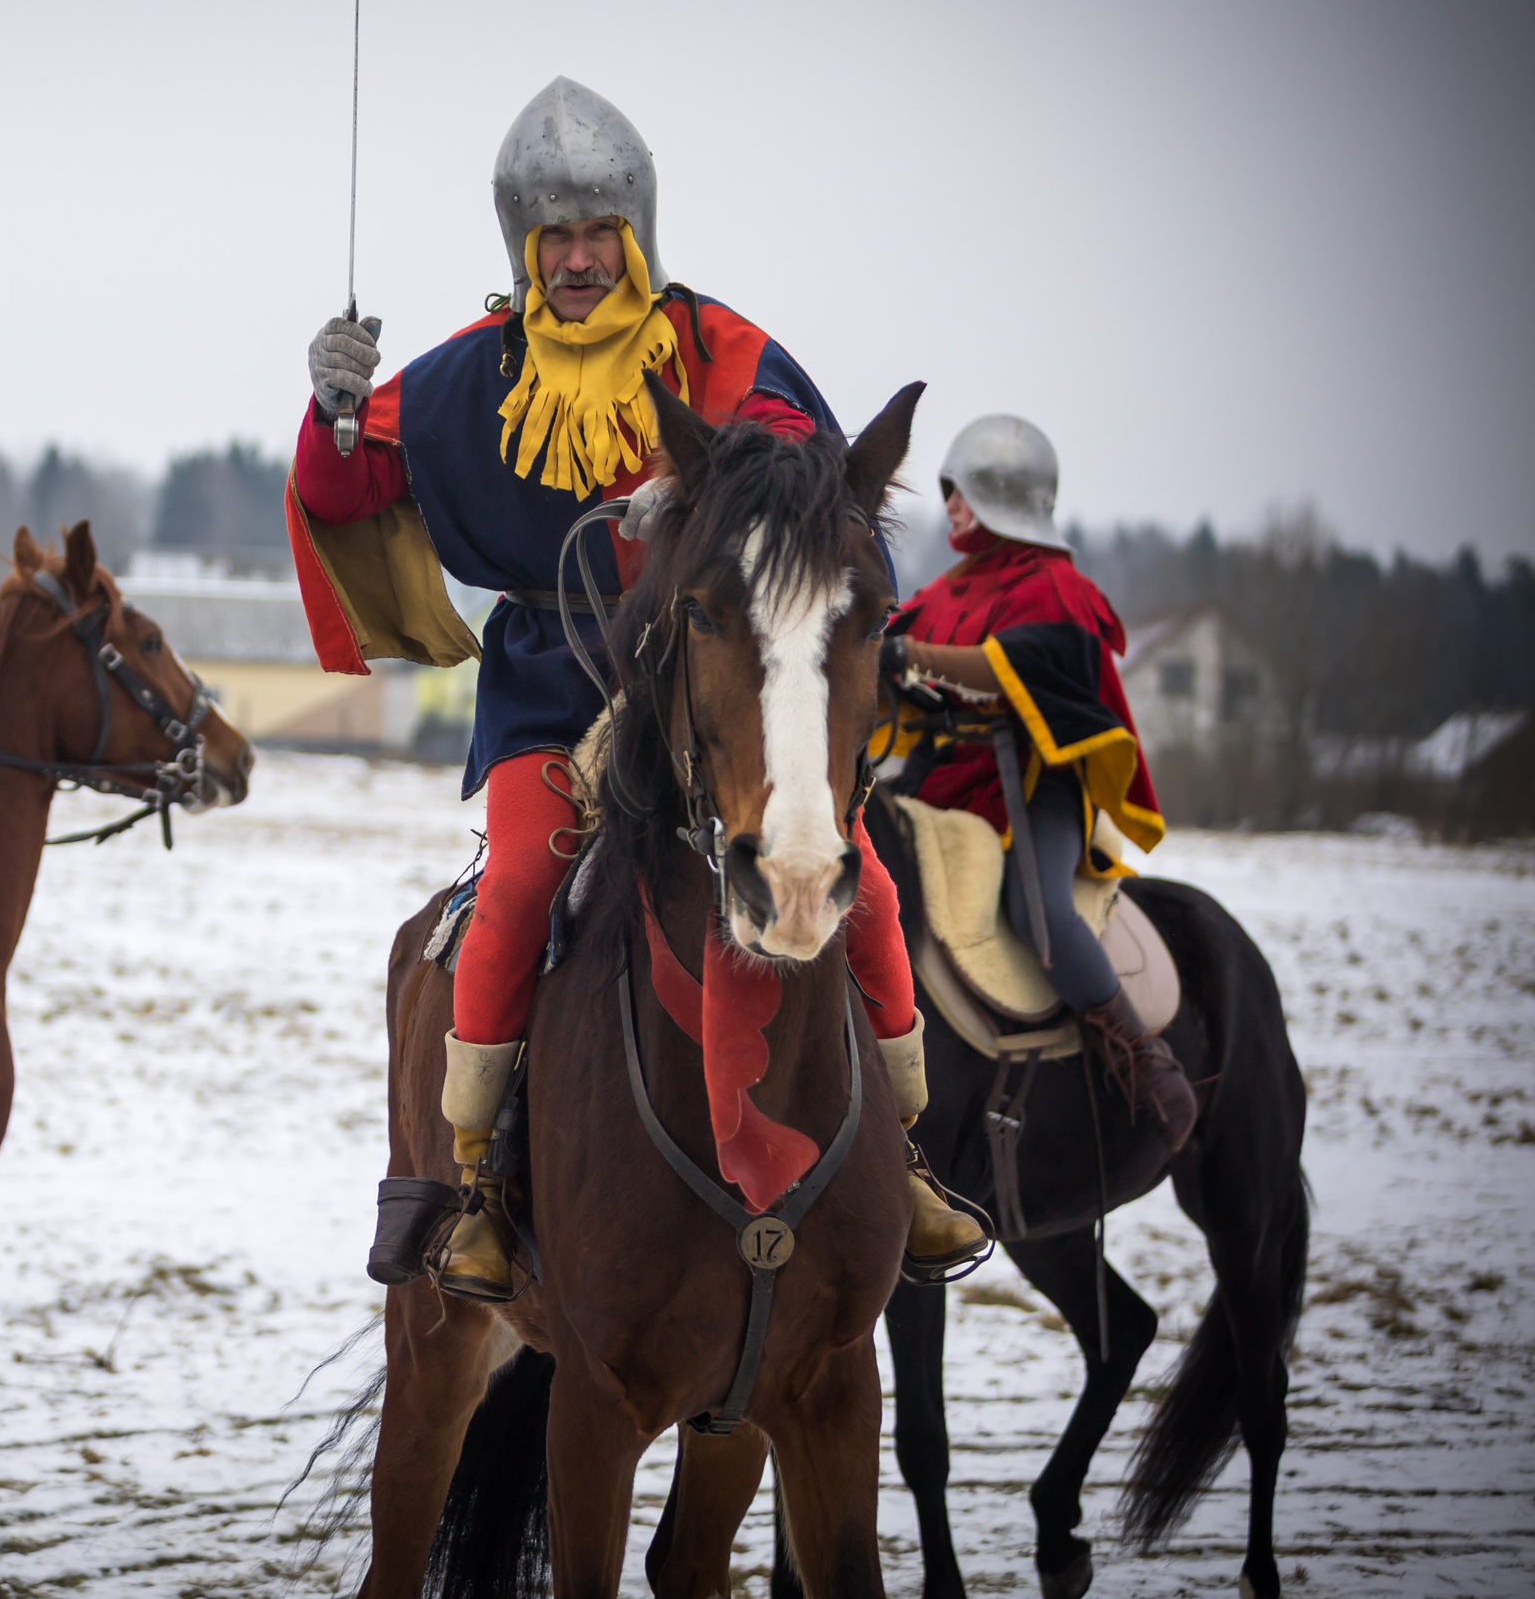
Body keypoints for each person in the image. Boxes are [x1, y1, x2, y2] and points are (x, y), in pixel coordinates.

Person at [296, 78, 983, 1298]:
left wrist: (720, 486)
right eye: (552, 237)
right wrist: (331, 411)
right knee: (514, 885)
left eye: (595, 235)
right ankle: (478, 1187)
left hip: (707, 681)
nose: (574, 260)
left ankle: (910, 1157)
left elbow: (798, 463)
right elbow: (348, 491)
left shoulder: (718, 350)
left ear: (636, 234)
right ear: (521, 243)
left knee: (860, 882)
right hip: (549, 681)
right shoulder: (471, 374)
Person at [885, 415, 1197, 1150]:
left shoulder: (1060, 590)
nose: (951, 506)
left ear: (1001, 495)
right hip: (945, 780)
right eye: (949, 493)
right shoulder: (946, 591)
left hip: (1034, 785)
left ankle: (1148, 1061)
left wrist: (906, 655)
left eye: (961, 493)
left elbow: (1005, 668)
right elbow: (893, 652)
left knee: (1040, 913)